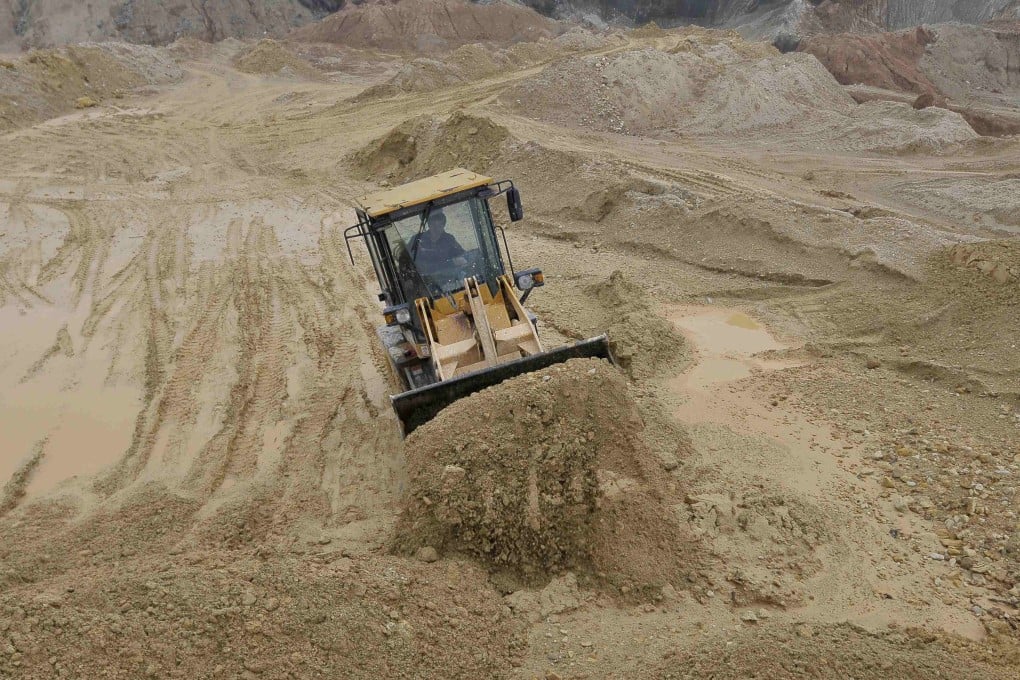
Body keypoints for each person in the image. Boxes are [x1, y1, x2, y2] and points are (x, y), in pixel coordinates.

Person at [406, 210, 467, 275]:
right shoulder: (417, 240)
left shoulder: (449, 239)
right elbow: (410, 263)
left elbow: (461, 254)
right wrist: (450, 263)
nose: (436, 229)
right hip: (425, 279)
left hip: (447, 278)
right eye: (433, 225)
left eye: (439, 226)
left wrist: (462, 259)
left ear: (443, 226)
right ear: (429, 225)